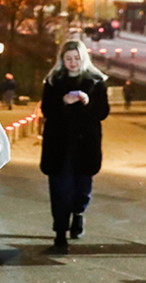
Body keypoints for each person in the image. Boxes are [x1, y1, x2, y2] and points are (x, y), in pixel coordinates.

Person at [40, 39, 109, 253]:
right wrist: (63, 102)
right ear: (62, 60)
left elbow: (103, 112)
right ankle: (60, 233)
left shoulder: (96, 82)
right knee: (59, 189)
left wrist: (87, 102)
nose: (73, 62)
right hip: (58, 145)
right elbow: (47, 110)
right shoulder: (53, 81)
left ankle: (78, 214)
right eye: (68, 59)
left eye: (76, 58)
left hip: (85, 145)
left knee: (81, 188)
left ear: (83, 58)